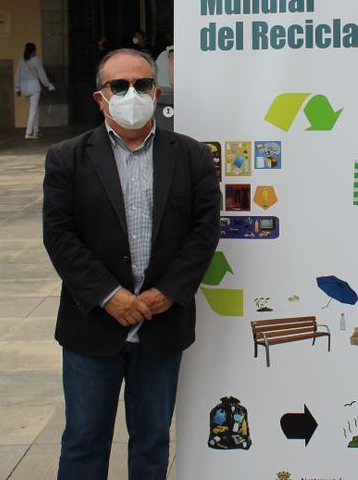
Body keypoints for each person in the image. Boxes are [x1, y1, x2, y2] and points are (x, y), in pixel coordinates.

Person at [42, 48, 219, 480]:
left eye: (141, 85)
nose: (132, 93)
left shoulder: (193, 156)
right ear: (100, 98)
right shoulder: (68, 157)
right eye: (119, 86)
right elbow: (60, 236)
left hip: (161, 326)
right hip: (93, 326)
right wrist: (110, 296)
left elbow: (204, 231)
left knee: (153, 441)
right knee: (84, 441)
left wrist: (167, 293)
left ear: (157, 92)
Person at [15, 42, 55, 139]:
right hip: (34, 88)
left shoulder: (21, 60)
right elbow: (42, 74)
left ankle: (36, 131)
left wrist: (17, 88)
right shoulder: (35, 60)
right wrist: (48, 85)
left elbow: (18, 75)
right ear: (33, 50)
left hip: (24, 88)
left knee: (36, 109)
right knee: (33, 110)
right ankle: (28, 132)